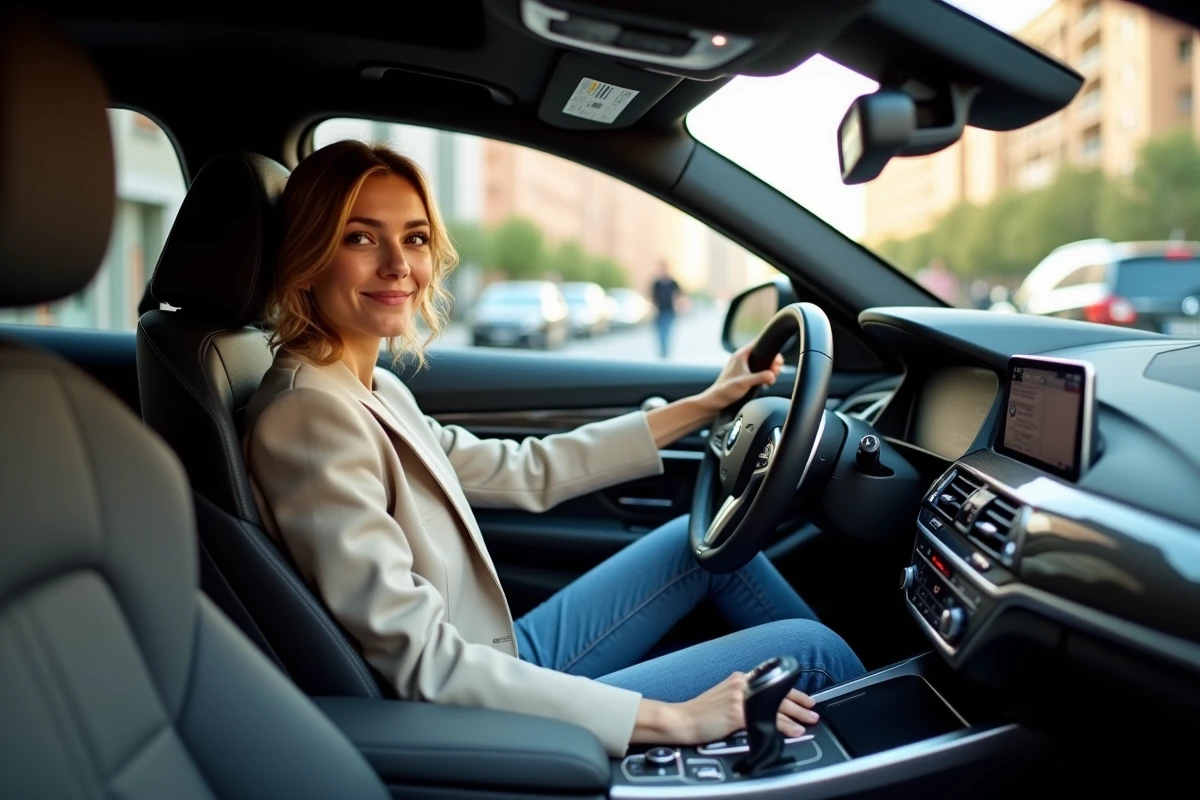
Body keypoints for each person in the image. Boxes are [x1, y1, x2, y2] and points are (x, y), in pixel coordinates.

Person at [243, 140, 865, 759]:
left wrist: (707, 403)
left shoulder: (372, 388)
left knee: (697, 548)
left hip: (499, 654)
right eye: (359, 238)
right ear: (309, 255)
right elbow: (424, 665)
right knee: (814, 653)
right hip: (477, 710)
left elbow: (525, 469)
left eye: (414, 238)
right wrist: (679, 720)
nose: (398, 265)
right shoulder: (308, 416)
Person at [650, 260, 681, 358]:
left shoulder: (673, 283)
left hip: (669, 313)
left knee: (667, 334)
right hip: (659, 313)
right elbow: (652, 297)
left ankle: (665, 355)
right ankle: (662, 355)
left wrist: (678, 305)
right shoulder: (657, 284)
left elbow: (679, 295)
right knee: (660, 335)